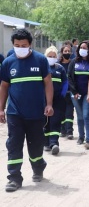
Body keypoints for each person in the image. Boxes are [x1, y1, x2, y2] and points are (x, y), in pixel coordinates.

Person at [0, 28, 54, 192]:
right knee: (14, 144)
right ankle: (14, 178)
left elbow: (48, 83)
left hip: (36, 113)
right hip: (15, 113)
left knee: (36, 145)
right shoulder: (8, 63)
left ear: (30, 44)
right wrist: (1, 109)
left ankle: (38, 167)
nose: (20, 47)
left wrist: (49, 104)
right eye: (17, 45)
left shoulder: (40, 60)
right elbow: (3, 87)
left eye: (23, 45)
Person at [67, 40, 89, 149]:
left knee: (87, 115)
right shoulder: (74, 62)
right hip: (76, 94)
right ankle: (81, 137)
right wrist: (74, 92)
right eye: (81, 48)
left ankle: (88, 139)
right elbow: (69, 77)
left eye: (85, 48)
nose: (83, 50)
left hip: (88, 94)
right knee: (80, 116)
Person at [43, 46, 68, 155]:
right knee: (45, 122)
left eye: (54, 56)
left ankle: (54, 143)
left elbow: (65, 83)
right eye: (49, 56)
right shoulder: (42, 68)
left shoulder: (60, 68)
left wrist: (62, 94)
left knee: (55, 121)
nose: (52, 58)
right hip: (44, 100)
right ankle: (46, 143)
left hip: (57, 100)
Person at [59, 44, 75, 139]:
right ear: (62, 53)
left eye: (69, 51)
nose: (67, 53)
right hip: (60, 93)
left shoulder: (72, 64)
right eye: (65, 51)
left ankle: (69, 131)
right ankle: (62, 130)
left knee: (69, 113)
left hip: (70, 92)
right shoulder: (58, 65)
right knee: (61, 112)